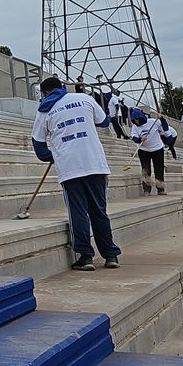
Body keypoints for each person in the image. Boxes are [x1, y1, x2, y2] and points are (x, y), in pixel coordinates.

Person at [31, 76, 121, 271]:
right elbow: (105, 122)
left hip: (69, 166)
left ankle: (85, 257)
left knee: (78, 211)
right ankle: (110, 254)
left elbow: (38, 146)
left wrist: (52, 155)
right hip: (95, 163)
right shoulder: (84, 99)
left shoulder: (44, 110)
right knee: (99, 210)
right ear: (62, 87)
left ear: (45, 93)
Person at [131, 107, 167, 195]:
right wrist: (139, 139)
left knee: (159, 169)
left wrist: (162, 118)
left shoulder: (153, 122)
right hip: (143, 150)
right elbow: (134, 137)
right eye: (134, 120)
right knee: (145, 170)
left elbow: (165, 128)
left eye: (138, 119)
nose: (137, 122)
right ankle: (146, 190)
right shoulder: (135, 127)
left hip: (157, 149)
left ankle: (160, 189)